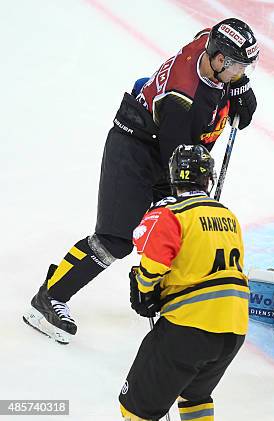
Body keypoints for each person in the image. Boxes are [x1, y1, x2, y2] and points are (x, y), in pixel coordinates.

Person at [23, 18, 258, 343]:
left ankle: (173, 301)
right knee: (116, 239)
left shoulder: (209, 44)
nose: (241, 74)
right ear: (219, 59)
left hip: (166, 144)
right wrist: (194, 201)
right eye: (238, 69)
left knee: (185, 232)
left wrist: (240, 87)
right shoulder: (181, 97)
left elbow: (207, 37)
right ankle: (48, 298)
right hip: (135, 149)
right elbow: (178, 163)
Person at [119, 144, 248, 421]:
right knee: (195, 398)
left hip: (189, 329)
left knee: (135, 410)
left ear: (173, 177)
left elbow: (152, 267)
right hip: (234, 330)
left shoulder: (173, 214)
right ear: (208, 178)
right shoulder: (230, 217)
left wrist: (144, 291)